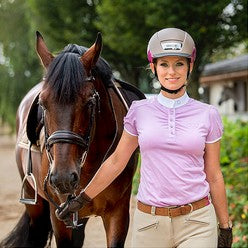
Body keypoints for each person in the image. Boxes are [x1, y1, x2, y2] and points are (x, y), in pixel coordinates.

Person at [56, 28, 233, 247]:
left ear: (190, 67)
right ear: (153, 67)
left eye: (179, 64)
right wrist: (82, 198)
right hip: (149, 223)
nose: (172, 72)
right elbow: (116, 161)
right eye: (164, 64)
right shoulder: (139, 111)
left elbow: (214, 174)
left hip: (197, 221)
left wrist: (225, 226)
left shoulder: (208, 114)